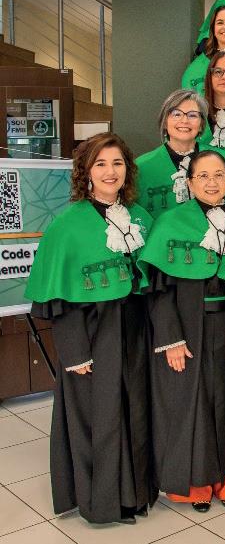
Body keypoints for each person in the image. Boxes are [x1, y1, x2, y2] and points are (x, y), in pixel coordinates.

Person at [24, 133, 156, 525]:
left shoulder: (140, 217)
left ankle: (134, 495)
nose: (110, 172)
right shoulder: (66, 225)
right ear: (85, 172)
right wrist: (75, 351)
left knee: (134, 412)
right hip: (92, 334)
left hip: (136, 333)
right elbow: (58, 300)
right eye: (100, 164)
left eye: (117, 163)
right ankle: (101, 503)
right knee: (97, 418)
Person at [138, 150, 225, 513]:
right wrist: (171, 339)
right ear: (190, 182)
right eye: (203, 176)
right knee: (190, 405)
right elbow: (159, 290)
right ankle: (195, 484)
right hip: (188, 330)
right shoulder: (170, 222)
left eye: (219, 175)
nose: (212, 183)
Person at [136, 90, 225, 218]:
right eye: (176, 114)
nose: (184, 120)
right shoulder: (141, 167)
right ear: (165, 122)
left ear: (201, 125)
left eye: (192, 115)